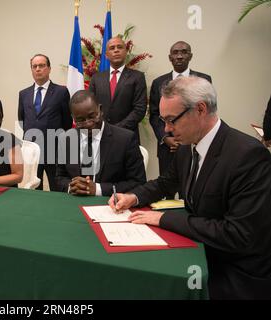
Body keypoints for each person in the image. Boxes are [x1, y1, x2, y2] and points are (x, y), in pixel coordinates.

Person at [108, 76, 271, 299]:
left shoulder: (248, 156)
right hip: (199, 250)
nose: (166, 129)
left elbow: (238, 234)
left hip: (234, 271)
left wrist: (163, 219)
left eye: (172, 120)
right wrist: (133, 197)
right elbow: (165, 183)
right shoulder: (187, 147)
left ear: (201, 109)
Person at [56, 90, 146, 196]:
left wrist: (98, 189)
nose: (88, 123)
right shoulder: (65, 139)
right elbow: (59, 177)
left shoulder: (125, 140)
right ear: (73, 118)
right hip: (74, 203)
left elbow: (138, 183)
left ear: (100, 110)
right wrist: (72, 186)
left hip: (110, 205)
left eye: (92, 116)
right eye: (80, 120)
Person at [149, 41, 212, 177]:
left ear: (190, 56)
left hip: (195, 146)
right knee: (166, 190)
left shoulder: (203, 80)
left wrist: (188, 140)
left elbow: (207, 112)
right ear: (170, 57)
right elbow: (154, 115)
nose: (179, 56)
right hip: (168, 148)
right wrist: (165, 138)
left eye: (184, 52)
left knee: (192, 188)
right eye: (175, 53)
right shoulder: (158, 82)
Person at [18, 54, 72, 191]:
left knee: (57, 188)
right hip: (32, 152)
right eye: (34, 66)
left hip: (54, 150)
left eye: (41, 65)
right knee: (34, 189)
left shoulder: (61, 92)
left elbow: (67, 122)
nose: (38, 69)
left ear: (49, 68)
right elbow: (22, 120)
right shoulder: (23, 93)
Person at [89, 36, 147, 145]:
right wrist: (102, 127)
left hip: (127, 136)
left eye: (120, 47)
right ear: (106, 55)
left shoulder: (137, 77)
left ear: (126, 52)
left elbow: (139, 109)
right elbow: (91, 106)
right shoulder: (96, 78)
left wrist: (116, 129)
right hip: (101, 137)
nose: (116, 50)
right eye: (112, 48)